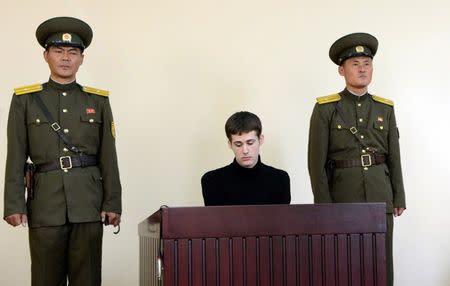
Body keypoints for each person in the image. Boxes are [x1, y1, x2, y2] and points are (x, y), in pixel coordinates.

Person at [3, 17, 122, 286]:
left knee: (88, 279)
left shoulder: (98, 100)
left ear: (82, 59)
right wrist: (13, 203)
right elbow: (16, 155)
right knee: (45, 279)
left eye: (73, 52)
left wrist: (112, 202)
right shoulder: (25, 99)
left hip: (88, 203)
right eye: (58, 51)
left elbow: (108, 156)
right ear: (46, 56)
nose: (65, 58)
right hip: (45, 204)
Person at [308, 32, 406, 286]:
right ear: (342, 70)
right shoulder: (326, 109)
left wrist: (398, 196)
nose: (362, 70)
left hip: (380, 194)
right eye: (355, 64)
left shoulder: (385, 108)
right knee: (344, 265)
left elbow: (394, 156)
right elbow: (315, 162)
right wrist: (324, 206)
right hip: (342, 195)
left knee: (381, 264)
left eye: (367, 64)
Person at [201, 111, 290, 206]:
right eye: (238, 144)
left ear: (261, 140)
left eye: (250, 143)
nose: (245, 150)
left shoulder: (280, 179)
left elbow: (281, 220)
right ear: (230, 144)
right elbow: (216, 220)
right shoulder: (212, 181)